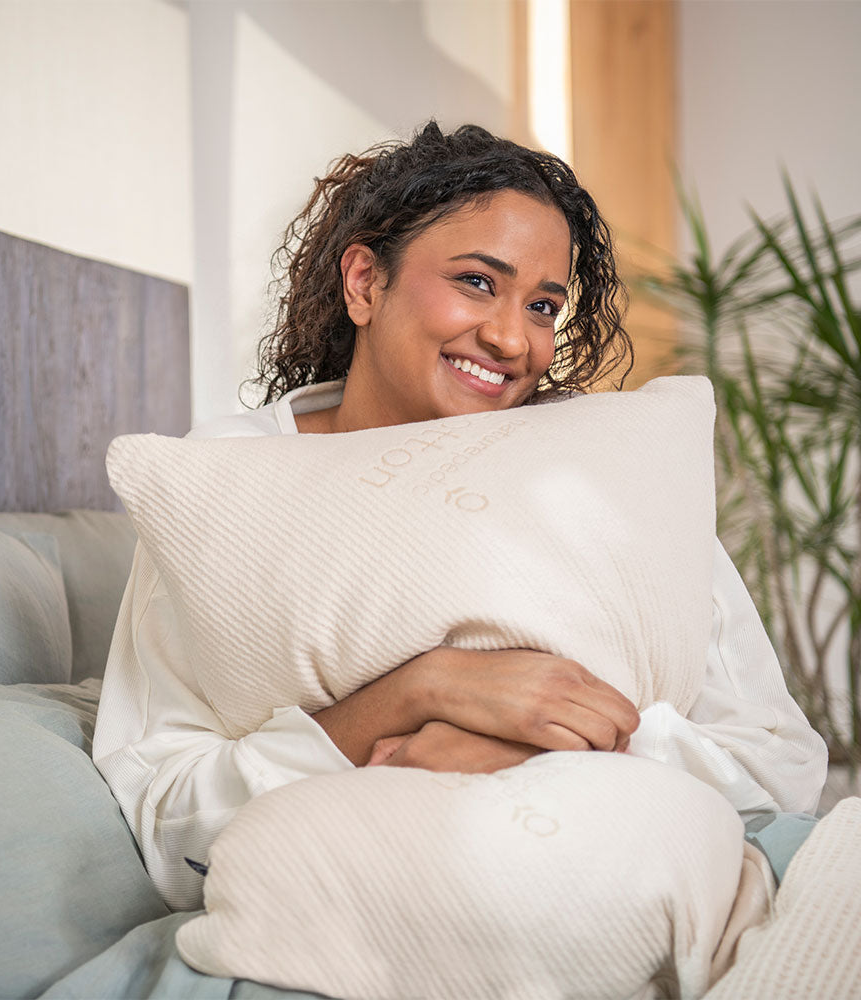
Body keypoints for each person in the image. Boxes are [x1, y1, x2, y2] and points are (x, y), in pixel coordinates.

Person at [93, 122, 827, 912]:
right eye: (478, 281)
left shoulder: (601, 469)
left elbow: (777, 762)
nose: (514, 338)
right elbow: (166, 814)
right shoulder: (227, 478)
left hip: (618, 878)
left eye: (544, 305)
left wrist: (519, 744)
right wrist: (420, 692)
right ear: (366, 282)